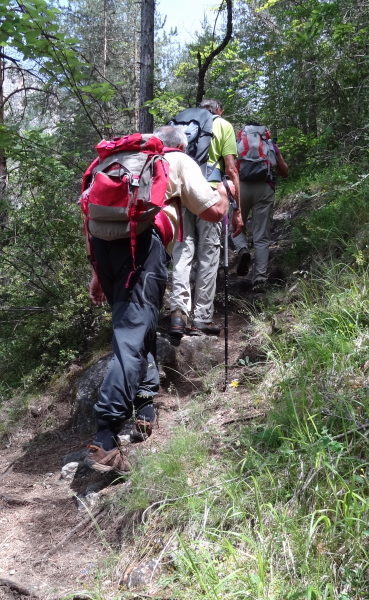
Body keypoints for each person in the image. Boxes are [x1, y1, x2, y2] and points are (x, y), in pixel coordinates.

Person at [83, 126, 230, 474]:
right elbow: (212, 212)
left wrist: (96, 272)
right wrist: (224, 192)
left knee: (141, 330)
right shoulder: (176, 160)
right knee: (131, 339)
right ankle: (105, 437)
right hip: (142, 249)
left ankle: (145, 406)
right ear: (180, 145)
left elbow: (88, 216)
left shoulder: (115, 162)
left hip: (105, 251)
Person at [169, 98, 243, 337]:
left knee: (182, 252)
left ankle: (178, 314)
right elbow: (231, 169)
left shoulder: (180, 123)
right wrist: (237, 210)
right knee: (209, 254)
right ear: (220, 110)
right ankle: (201, 317)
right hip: (210, 193)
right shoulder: (223, 125)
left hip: (181, 194)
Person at [233, 122, 289, 293]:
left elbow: (229, 168)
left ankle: (242, 248)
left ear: (243, 132)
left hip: (240, 187)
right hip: (264, 188)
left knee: (234, 226)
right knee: (262, 236)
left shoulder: (237, 144)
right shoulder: (269, 145)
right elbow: (284, 172)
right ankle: (259, 279)